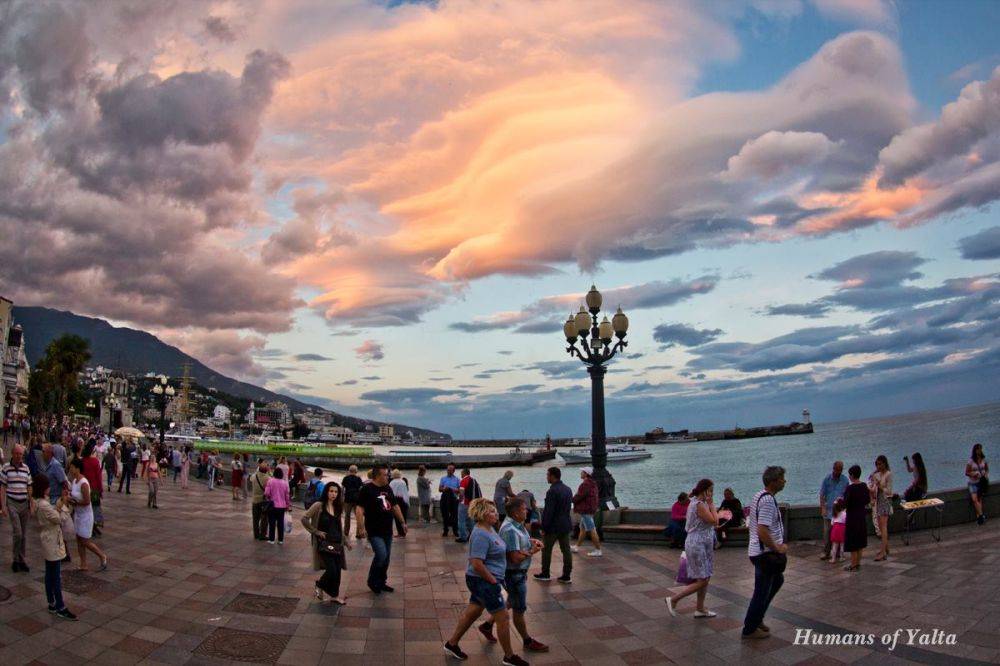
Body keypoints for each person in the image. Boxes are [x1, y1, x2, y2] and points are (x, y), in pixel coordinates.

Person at [443, 498, 530, 666]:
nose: (496, 513)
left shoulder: (490, 529)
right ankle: (509, 656)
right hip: (483, 580)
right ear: (481, 514)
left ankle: (451, 644)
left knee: (473, 612)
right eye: (491, 511)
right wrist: (494, 583)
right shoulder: (480, 534)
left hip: (486, 580)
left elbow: (500, 549)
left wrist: (528, 547)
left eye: (495, 510)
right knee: (503, 617)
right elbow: (476, 564)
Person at [478, 497, 548, 653]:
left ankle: (487, 625)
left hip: (517, 574)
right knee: (519, 609)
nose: (527, 510)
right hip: (515, 575)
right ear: (516, 513)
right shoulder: (510, 529)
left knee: (511, 601)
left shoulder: (516, 525)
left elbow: (518, 541)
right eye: (524, 509)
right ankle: (527, 641)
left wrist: (531, 541)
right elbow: (515, 558)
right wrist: (532, 551)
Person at [742, 466, 786, 640]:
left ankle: (757, 618)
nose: (785, 481)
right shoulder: (767, 501)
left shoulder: (758, 495)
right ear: (773, 481)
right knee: (761, 590)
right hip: (764, 554)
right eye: (782, 478)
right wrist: (777, 548)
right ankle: (749, 629)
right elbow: (762, 530)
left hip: (757, 551)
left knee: (777, 580)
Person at [666, 478, 720, 619]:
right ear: (705, 490)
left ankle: (700, 609)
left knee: (705, 577)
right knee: (702, 579)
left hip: (702, 543)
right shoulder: (699, 505)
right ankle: (674, 599)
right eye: (711, 491)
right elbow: (715, 521)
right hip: (697, 544)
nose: (712, 494)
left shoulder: (697, 502)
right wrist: (711, 503)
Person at [31, 475, 78, 620]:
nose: (50, 487)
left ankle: (51, 602)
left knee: (49, 574)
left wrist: (60, 502)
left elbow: (53, 511)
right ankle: (60, 606)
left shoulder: (39, 502)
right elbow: (59, 518)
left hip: (48, 539)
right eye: (48, 485)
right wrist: (64, 504)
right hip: (52, 541)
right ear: (43, 487)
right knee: (55, 576)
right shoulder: (43, 505)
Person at [355, 465, 407, 594]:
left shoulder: (387, 488)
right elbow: (359, 509)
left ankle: (381, 581)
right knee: (381, 554)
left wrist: (402, 522)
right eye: (385, 475)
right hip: (373, 530)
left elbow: (395, 506)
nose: (387, 477)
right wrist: (360, 527)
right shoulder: (366, 489)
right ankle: (372, 581)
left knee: (387, 558)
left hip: (387, 530)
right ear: (377, 475)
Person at [302, 481, 352, 605]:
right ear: (326, 492)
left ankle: (335, 596)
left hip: (337, 544)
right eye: (331, 491)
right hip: (323, 543)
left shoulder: (338, 508)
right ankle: (319, 585)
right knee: (332, 570)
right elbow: (304, 519)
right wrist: (316, 531)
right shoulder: (318, 505)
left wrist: (346, 541)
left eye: (336, 492)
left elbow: (339, 528)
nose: (333, 494)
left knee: (338, 571)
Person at [67, 458, 109, 572]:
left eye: (72, 467)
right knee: (78, 539)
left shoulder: (83, 482)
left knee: (85, 541)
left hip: (85, 515)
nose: (70, 469)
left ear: (77, 468)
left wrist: (74, 502)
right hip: (78, 514)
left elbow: (87, 501)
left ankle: (102, 556)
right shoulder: (74, 481)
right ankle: (83, 563)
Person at [535, 466, 573, 584]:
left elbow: (548, 512)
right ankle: (566, 575)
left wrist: (544, 527)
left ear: (552, 476)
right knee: (566, 550)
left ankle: (545, 573)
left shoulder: (552, 491)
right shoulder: (568, 489)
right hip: (565, 524)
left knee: (546, 550)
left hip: (553, 526)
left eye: (547, 475)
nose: (547, 477)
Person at [1, 444, 35, 572]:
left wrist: (31, 502)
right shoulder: (6, 468)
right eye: (17, 454)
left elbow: (29, 486)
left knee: (24, 534)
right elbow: (3, 487)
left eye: (21, 454)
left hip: (24, 503)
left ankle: (21, 559)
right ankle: (15, 559)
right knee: (18, 532)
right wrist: (3, 506)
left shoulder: (26, 468)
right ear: (12, 454)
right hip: (12, 502)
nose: (19, 456)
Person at [819, 461, 848, 561]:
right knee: (827, 532)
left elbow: (846, 495)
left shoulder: (845, 480)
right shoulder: (827, 479)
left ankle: (839, 552)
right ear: (833, 469)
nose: (838, 472)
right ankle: (826, 551)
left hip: (840, 511)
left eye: (840, 470)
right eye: (836, 470)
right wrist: (823, 507)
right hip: (829, 510)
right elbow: (822, 495)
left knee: (839, 531)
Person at [843, 465, 870, 572]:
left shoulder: (850, 488)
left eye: (850, 474)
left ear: (852, 475)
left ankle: (853, 565)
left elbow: (845, 503)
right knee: (860, 540)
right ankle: (858, 563)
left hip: (852, 518)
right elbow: (867, 500)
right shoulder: (864, 486)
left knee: (853, 542)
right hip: (861, 516)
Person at [571, 467, 601, 557]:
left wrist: (571, 499)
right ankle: (576, 546)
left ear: (586, 474)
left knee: (592, 529)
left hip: (586, 510)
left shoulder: (586, 484)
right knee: (583, 529)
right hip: (590, 508)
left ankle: (598, 550)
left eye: (582, 472)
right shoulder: (592, 483)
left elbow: (579, 496)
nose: (580, 473)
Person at [869, 455, 892, 561]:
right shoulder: (877, 474)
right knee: (880, 525)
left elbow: (889, 491)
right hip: (878, 501)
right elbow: (873, 487)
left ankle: (883, 552)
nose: (878, 466)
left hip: (885, 501)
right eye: (877, 464)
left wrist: (880, 486)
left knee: (883, 527)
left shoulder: (888, 474)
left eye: (880, 464)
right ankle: (885, 548)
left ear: (884, 463)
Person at [80, 442, 104, 534]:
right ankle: (93, 526)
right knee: (94, 508)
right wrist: (100, 490)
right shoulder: (95, 461)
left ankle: (90, 526)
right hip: (94, 489)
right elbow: (99, 477)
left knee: (86, 508)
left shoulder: (81, 461)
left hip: (84, 488)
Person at [264, 467, 291, 544]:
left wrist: (269, 497)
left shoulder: (270, 481)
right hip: (282, 506)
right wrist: (287, 505)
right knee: (280, 523)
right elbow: (287, 496)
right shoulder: (284, 483)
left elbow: (266, 493)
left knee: (272, 523)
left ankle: (271, 539)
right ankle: (280, 540)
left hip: (272, 505)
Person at [457, 468, 482, 543]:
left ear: (464, 473)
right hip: (472, 503)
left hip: (464, 503)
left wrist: (460, 500)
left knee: (461, 521)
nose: (461, 474)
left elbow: (461, 493)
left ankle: (463, 537)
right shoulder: (473, 480)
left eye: (461, 473)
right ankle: (472, 536)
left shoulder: (463, 480)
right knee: (471, 521)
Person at [967, 443, 989, 525]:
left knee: (979, 499)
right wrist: (974, 474)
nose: (979, 451)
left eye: (980, 449)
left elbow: (986, 469)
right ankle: (981, 515)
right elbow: (967, 472)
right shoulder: (971, 461)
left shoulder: (984, 459)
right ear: (975, 450)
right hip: (973, 483)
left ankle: (979, 517)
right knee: (974, 499)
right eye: (978, 449)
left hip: (981, 483)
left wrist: (986, 475)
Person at [250, 460, 271, 541]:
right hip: (263, 501)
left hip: (254, 500)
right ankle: (262, 534)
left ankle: (256, 534)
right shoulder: (267, 478)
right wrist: (269, 472)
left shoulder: (254, 476)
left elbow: (251, 479)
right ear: (266, 470)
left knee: (255, 519)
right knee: (264, 519)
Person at [439, 464, 461, 537]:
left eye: (450, 470)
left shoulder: (457, 479)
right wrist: (444, 489)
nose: (448, 471)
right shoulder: (443, 478)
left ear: (453, 471)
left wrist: (452, 489)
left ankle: (455, 531)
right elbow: (439, 489)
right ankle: (445, 530)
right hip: (445, 499)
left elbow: (459, 490)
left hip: (454, 499)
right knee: (445, 515)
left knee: (454, 516)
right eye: (447, 470)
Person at [389, 469, 410, 536]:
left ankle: (399, 533)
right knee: (403, 516)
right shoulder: (403, 482)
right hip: (402, 501)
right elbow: (405, 493)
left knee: (397, 517)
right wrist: (407, 502)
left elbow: (390, 493)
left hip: (395, 501)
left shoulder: (392, 482)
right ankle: (403, 532)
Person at [829, 498, 846, 563]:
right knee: (842, 545)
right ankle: (841, 558)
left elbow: (832, 523)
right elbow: (846, 521)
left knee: (834, 545)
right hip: (842, 530)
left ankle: (833, 559)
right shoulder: (844, 514)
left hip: (835, 530)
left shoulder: (834, 515)